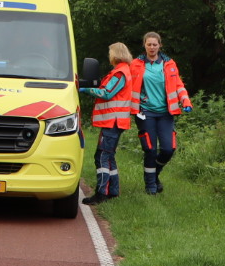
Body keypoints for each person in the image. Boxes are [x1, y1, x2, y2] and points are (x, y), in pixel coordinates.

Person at [130, 31, 193, 195]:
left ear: (160, 45)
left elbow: (178, 85)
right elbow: (127, 84)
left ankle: (155, 174)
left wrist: (185, 101)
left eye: (154, 44)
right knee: (150, 149)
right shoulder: (136, 64)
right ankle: (150, 185)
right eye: (149, 44)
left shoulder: (169, 63)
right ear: (144, 45)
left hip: (166, 113)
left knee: (168, 149)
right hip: (145, 112)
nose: (152, 47)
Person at [81, 43, 136, 204]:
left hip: (113, 121)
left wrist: (86, 90)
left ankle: (101, 193)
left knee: (102, 156)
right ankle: (112, 191)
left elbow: (107, 93)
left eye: (110, 52)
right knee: (108, 156)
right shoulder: (121, 71)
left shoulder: (120, 73)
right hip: (114, 121)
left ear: (116, 54)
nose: (109, 55)